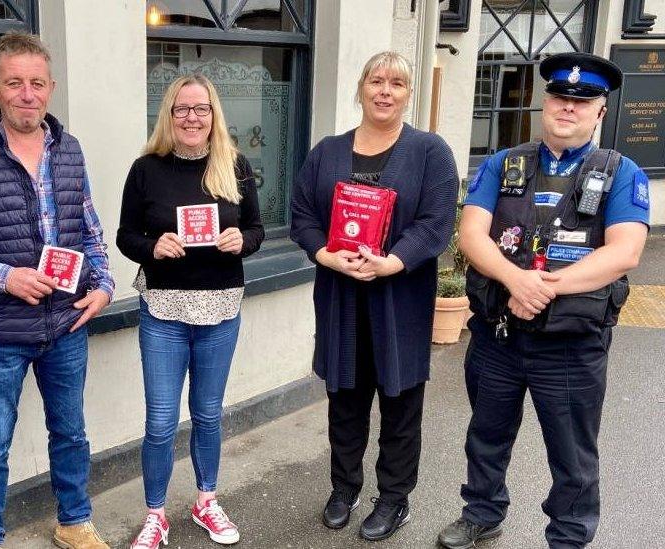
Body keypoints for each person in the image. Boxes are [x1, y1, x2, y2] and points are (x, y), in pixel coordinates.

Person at [438, 52, 649, 549]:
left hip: (572, 345)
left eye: (583, 100)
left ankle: (570, 536)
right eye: (559, 96)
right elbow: (472, 235)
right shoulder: (502, 164)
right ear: (542, 101)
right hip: (499, 337)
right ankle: (482, 512)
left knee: (572, 453)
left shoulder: (621, 173)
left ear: (600, 110)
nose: (568, 107)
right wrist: (516, 280)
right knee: (486, 436)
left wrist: (540, 287)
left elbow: (625, 251)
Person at [0, 32, 114, 549]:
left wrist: (103, 286)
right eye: (14, 83)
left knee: (71, 434)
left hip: (66, 325)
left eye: (36, 83)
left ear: (50, 87)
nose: (27, 94)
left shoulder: (69, 150)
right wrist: (4, 276)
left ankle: (73, 522)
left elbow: (90, 232)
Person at [290, 51, 459, 541]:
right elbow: (302, 215)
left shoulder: (430, 152)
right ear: (361, 88)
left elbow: (436, 222)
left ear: (409, 94)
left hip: (399, 300)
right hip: (340, 298)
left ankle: (393, 498)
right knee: (344, 400)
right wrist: (324, 254)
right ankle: (344, 488)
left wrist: (394, 260)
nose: (385, 91)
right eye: (377, 81)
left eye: (397, 84)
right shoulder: (327, 151)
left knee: (401, 402)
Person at [117, 74, 265, 549]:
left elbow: (257, 229)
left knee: (206, 414)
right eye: (182, 109)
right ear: (169, 114)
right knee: (161, 422)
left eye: (201, 109)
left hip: (221, 308)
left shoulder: (235, 165)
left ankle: (206, 500)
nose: (192, 118)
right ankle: (156, 514)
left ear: (214, 114)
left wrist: (244, 241)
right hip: (163, 309)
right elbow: (125, 236)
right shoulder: (146, 169)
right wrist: (151, 246)